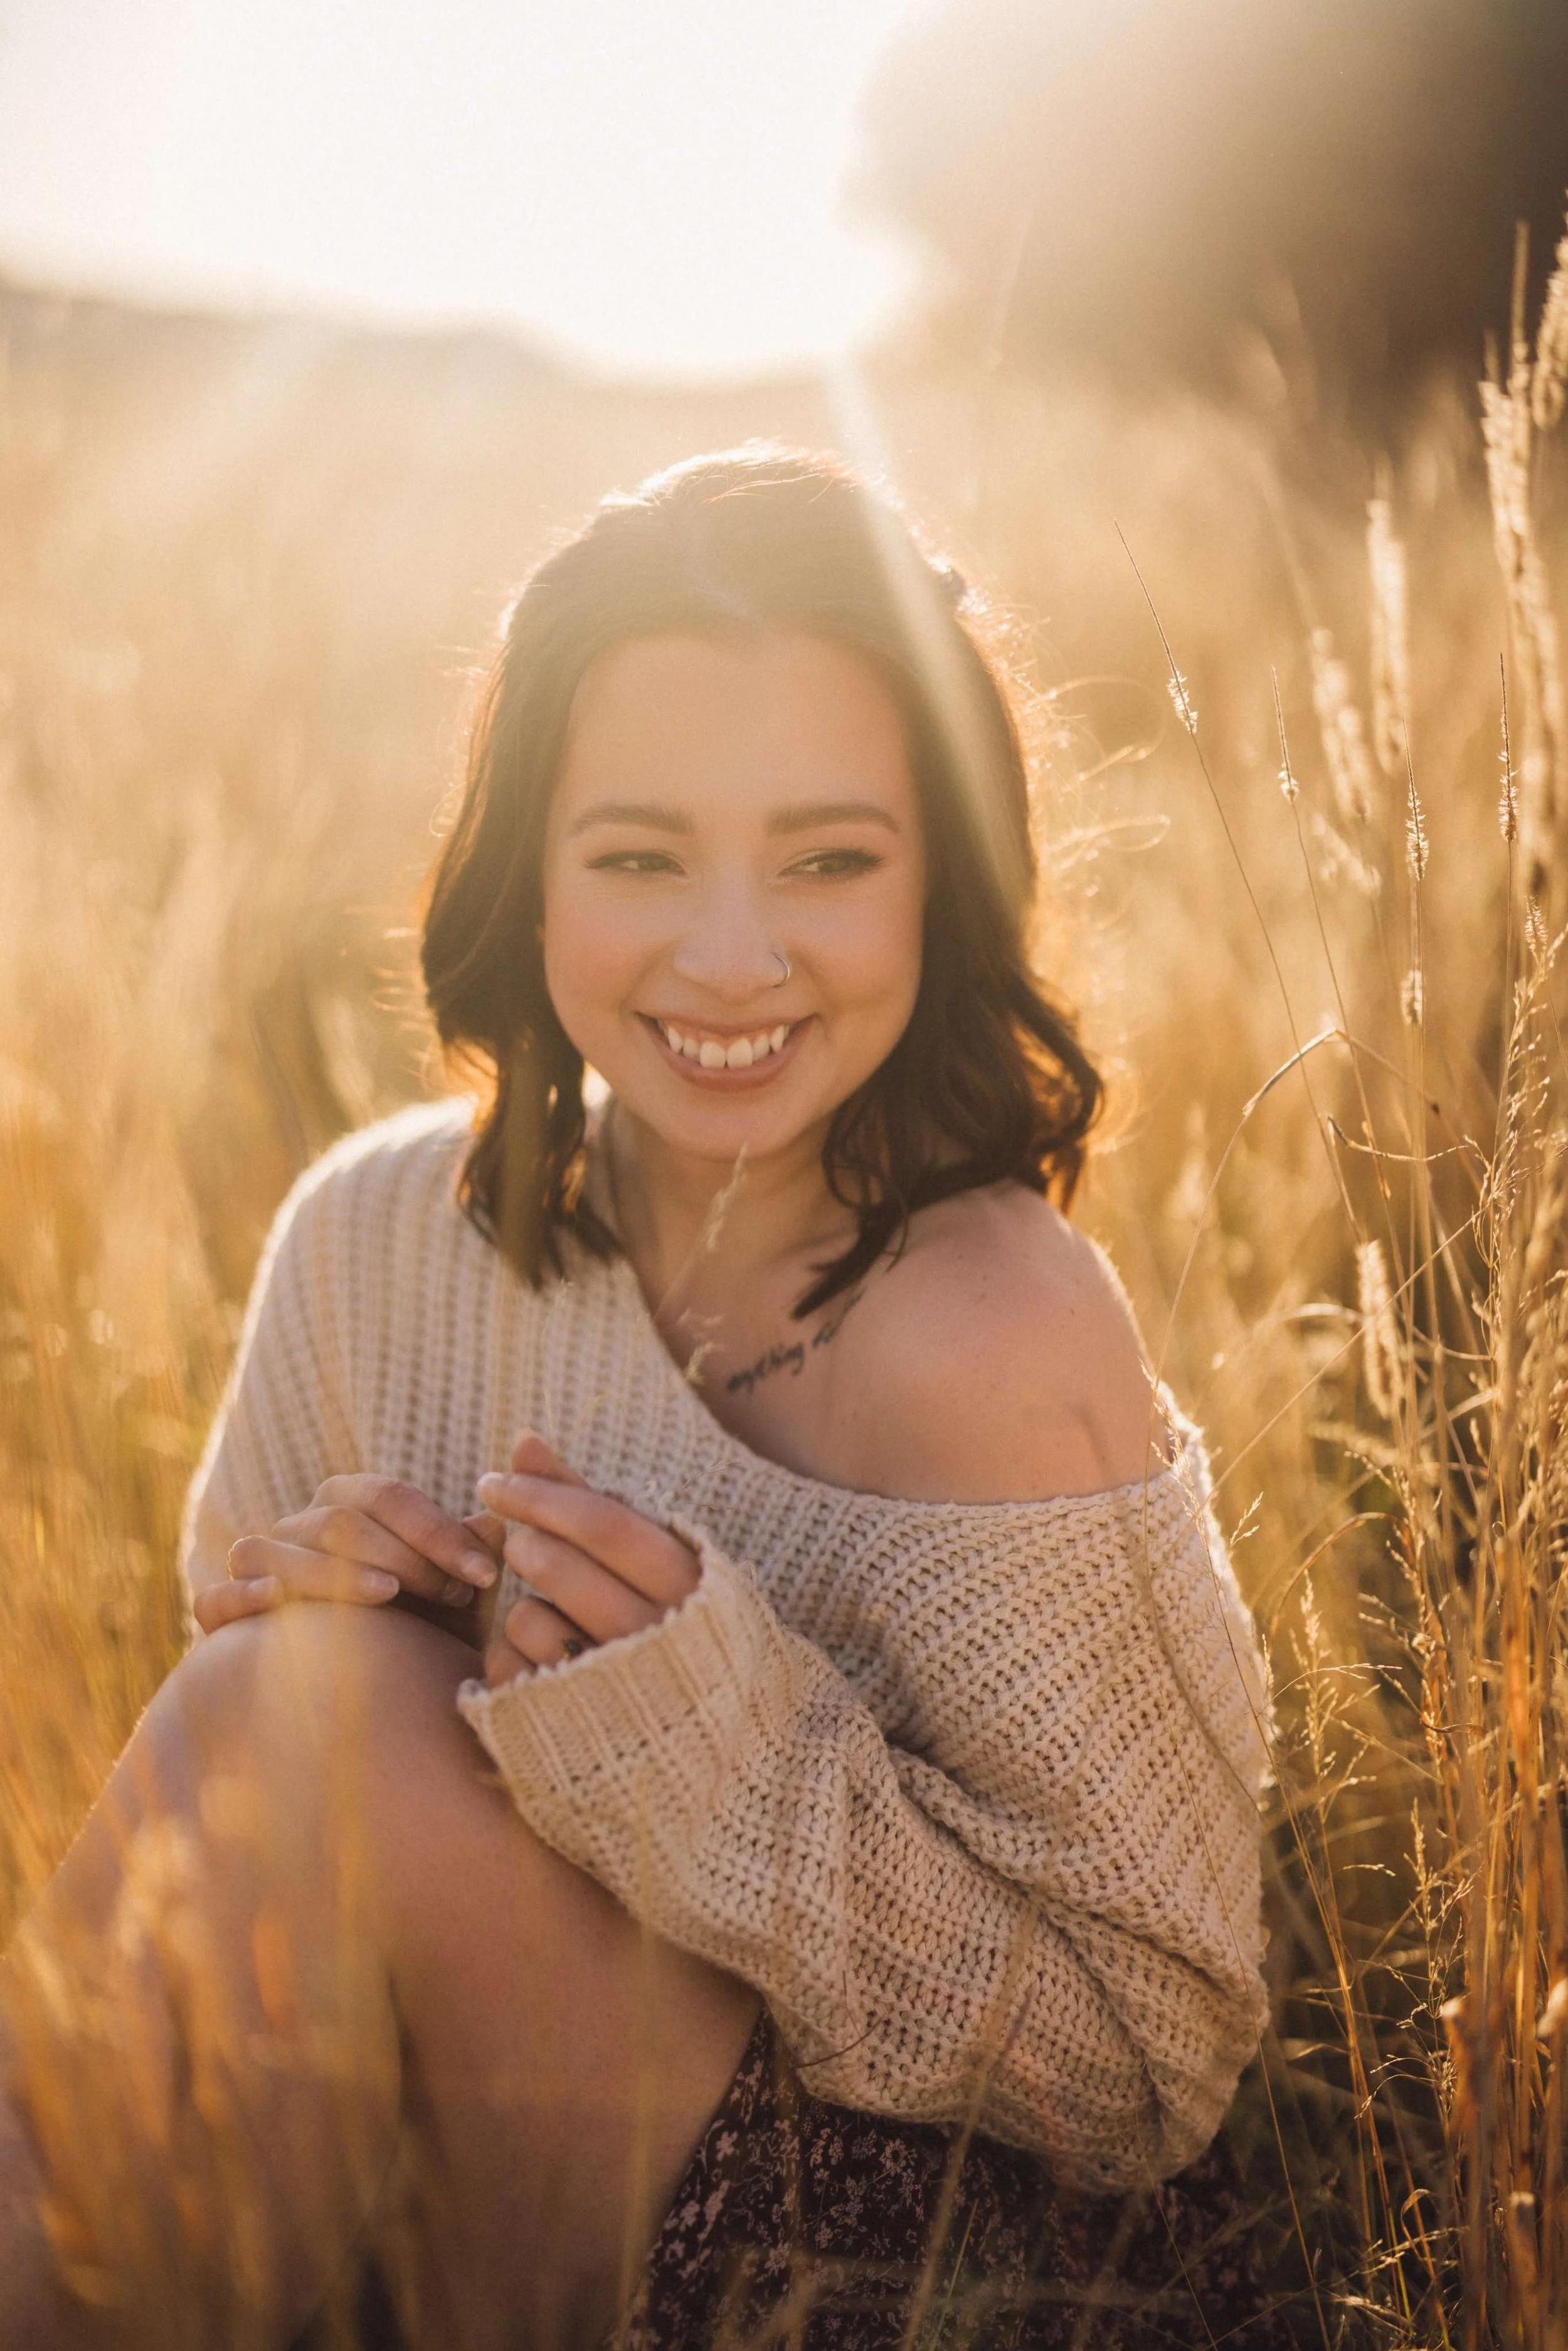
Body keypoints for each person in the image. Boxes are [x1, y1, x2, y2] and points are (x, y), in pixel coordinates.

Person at [0, 447, 1273, 2350]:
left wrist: (714, 1765)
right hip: (440, 2156)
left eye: (830, 859)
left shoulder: (994, 1338)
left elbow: (1144, 2068)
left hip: (914, 2264)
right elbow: (245, 1837)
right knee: (304, 1701)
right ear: (525, 870)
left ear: (943, 874)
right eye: (639, 855)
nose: (731, 955)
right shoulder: (370, 1239)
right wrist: (369, 1632)